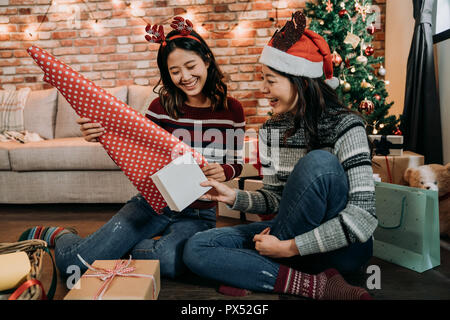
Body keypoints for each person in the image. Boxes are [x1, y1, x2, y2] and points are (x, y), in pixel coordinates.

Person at [19, 17, 245, 279]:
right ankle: (63, 236)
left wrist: (224, 171)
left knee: (170, 262)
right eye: (174, 71)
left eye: (191, 66)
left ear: (206, 60)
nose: (185, 77)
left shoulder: (233, 109)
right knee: (75, 264)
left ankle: (119, 248)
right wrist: (100, 135)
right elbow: (134, 148)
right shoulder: (159, 108)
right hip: (153, 203)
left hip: (197, 213)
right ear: (167, 74)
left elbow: (236, 161)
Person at [182, 11, 376, 300]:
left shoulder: (347, 125)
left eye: (270, 81)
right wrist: (232, 196)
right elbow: (274, 198)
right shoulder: (272, 130)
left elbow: (362, 218)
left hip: (341, 250)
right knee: (196, 247)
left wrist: (287, 248)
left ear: (301, 81)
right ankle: (316, 285)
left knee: (319, 163)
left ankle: (257, 270)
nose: (263, 90)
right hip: (289, 238)